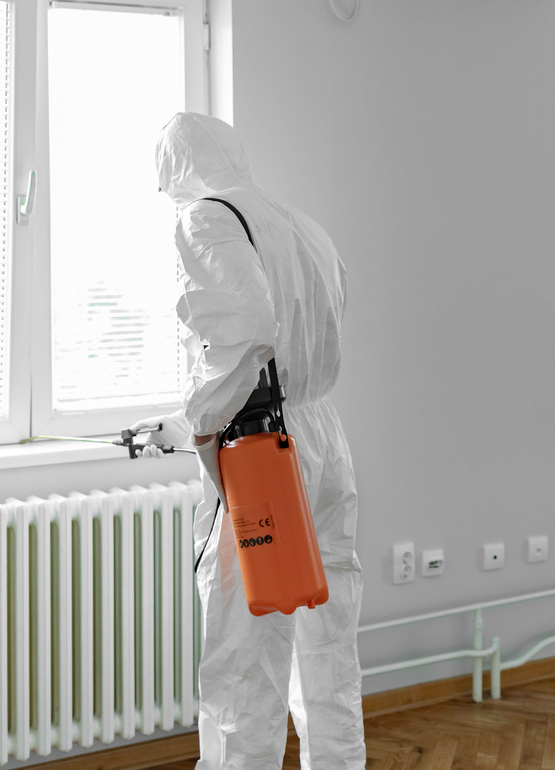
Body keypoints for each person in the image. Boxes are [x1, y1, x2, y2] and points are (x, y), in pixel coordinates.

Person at [133, 112, 364, 770]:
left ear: (174, 169)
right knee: (328, 647)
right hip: (321, 440)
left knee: (244, 658)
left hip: (261, 453)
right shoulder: (300, 225)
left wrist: (202, 423)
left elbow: (248, 328)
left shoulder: (205, 218)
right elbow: (303, 337)